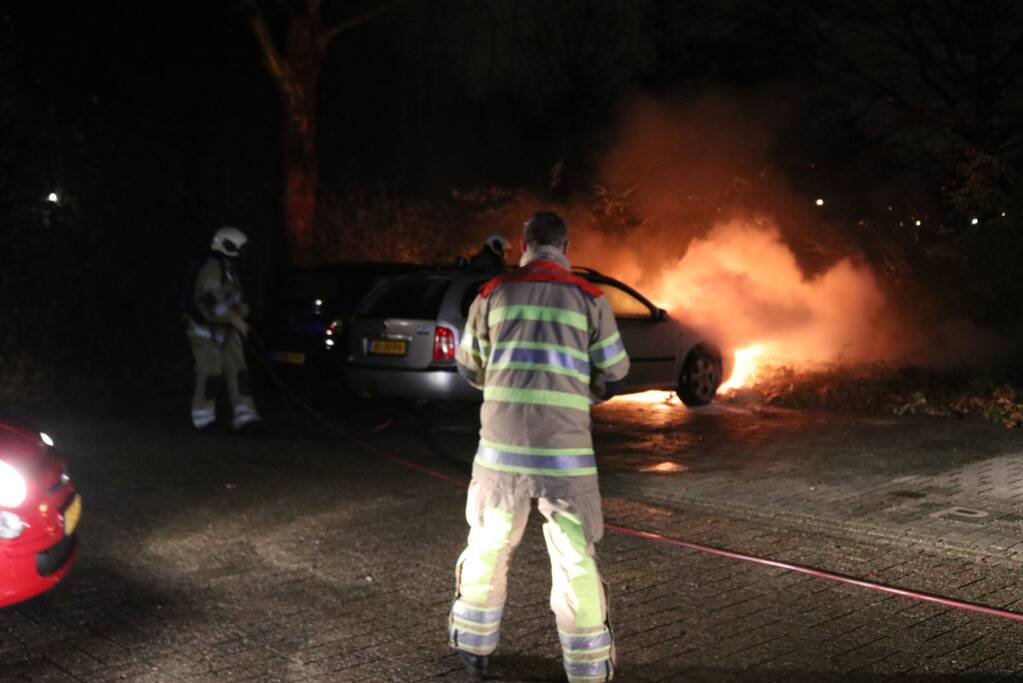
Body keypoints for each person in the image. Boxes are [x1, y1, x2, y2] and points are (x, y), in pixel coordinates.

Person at [449, 211, 629, 681]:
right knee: (574, 557)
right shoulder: (590, 298)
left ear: (521, 245)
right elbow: (615, 371)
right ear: (565, 248)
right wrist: (582, 389)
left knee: (488, 546)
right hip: (565, 460)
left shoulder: (493, 293)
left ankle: (474, 648)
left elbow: (468, 364)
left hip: (500, 456)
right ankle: (588, 668)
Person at [185, 226, 262, 433]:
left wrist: (240, 315)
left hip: (228, 332)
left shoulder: (231, 271)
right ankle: (203, 419)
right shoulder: (212, 268)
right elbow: (211, 302)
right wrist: (235, 319)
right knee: (211, 372)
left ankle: (245, 417)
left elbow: (240, 300)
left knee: (240, 373)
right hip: (205, 332)